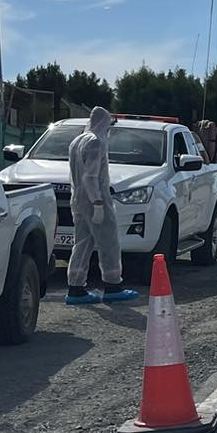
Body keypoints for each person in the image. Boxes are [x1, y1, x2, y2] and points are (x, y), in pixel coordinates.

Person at [66, 105, 137, 304]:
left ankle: (75, 287)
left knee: (82, 243)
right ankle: (113, 285)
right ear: (103, 122)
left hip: (78, 199)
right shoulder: (96, 142)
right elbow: (91, 177)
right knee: (109, 241)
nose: (108, 129)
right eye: (108, 125)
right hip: (94, 198)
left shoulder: (77, 141)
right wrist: (97, 202)